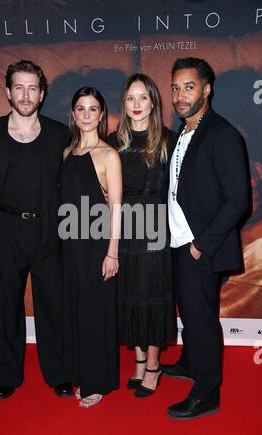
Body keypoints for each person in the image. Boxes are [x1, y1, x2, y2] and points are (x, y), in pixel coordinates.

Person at [0, 60, 73, 400]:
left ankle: (59, 372)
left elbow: (69, 185)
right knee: (6, 307)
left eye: (32, 88)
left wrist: (60, 225)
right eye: (19, 87)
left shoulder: (59, 135)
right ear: (7, 92)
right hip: (6, 230)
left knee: (53, 307)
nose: (25, 95)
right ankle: (6, 376)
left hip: (47, 231)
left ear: (41, 94)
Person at [164, 57, 250, 419]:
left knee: (200, 319)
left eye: (189, 86)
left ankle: (207, 392)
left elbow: (238, 201)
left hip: (199, 247)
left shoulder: (222, 134)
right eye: (175, 88)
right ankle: (189, 361)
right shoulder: (182, 132)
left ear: (207, 88)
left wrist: (201, 244)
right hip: (178, 242)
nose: (181, 95)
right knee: (191, 314)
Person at [108, 73, 177, 398]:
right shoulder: (112, 142)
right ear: (124, 103)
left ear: (153, 101)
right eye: (131, 99)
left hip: (154, 234)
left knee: (150, 299)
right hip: (124, 233)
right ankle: (137, 360)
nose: (136, 105)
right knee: (130, 299)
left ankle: (153, 365)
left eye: (143, 98)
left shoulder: (168, 140)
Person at [59, 87, 122, 408]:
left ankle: (98, 381)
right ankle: (81, 373)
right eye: (80, 108)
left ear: (101, 114)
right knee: (74, 311)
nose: (86, 114)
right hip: (69, 246)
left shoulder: (109, 155)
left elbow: (117, 208)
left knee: (95, 314)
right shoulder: (67, 154)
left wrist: (112, 252)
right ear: (73, 114)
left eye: (92, 109)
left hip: (96, 246)